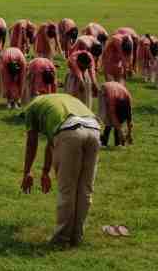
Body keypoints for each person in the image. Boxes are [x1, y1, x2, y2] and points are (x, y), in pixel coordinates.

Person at [21, 93, 102, 248]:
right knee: (85, 189)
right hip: (94, 129)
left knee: (67, 189)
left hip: (69, 132)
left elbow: (32, 142)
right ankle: (77, 237)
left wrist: (27, 172)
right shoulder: (62, 99)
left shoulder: (31, 108)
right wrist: (45, 171)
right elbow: (52, 142)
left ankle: (61, 240)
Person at [97, 81, 134, 147]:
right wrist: (120, 131)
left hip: (116, 89)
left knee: (118, 121)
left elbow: (129, 117)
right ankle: (103, 142)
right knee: (106, 118)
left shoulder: (128, 100)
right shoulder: (112, 100)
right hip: (105, 90)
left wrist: (130, 133)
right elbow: (112, 115)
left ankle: (117, 143)